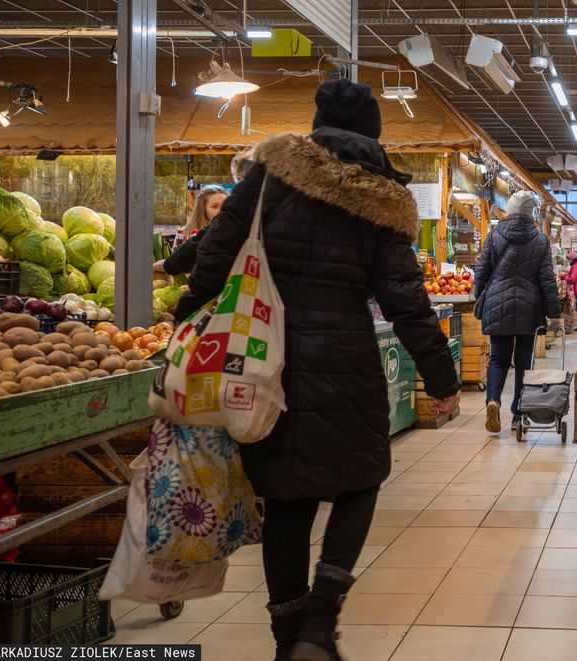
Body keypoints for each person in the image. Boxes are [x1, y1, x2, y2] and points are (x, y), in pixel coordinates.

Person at [174, 79, 460, 661]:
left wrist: (185, 327)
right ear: (374, 134)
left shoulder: (267, 175)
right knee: (360, 478)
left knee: (286, 498)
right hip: (345, 357)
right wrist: (442, 377)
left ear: (316, 122)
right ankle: (319, 622)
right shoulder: (380, 196)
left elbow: (215, 253)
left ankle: (287, 640)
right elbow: (406, 298)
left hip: (262, 357)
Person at [473, 191, 561, 433]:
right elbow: (546, 280)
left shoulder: (494, 235)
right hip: (529, 307)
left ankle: (493, 400)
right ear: (531, 213)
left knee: (499, 359)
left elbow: (481, 271)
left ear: (510, 210)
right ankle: (517, 412)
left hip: (496, 303)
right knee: (524, 362)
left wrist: (477, 295)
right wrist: (554, 312)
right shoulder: (541, 240)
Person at [154, 184, 227, 276]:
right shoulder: (187, 235)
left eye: (225, 206)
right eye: (214, 206)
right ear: (202, 208)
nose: (221, 211)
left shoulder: (227, 233)